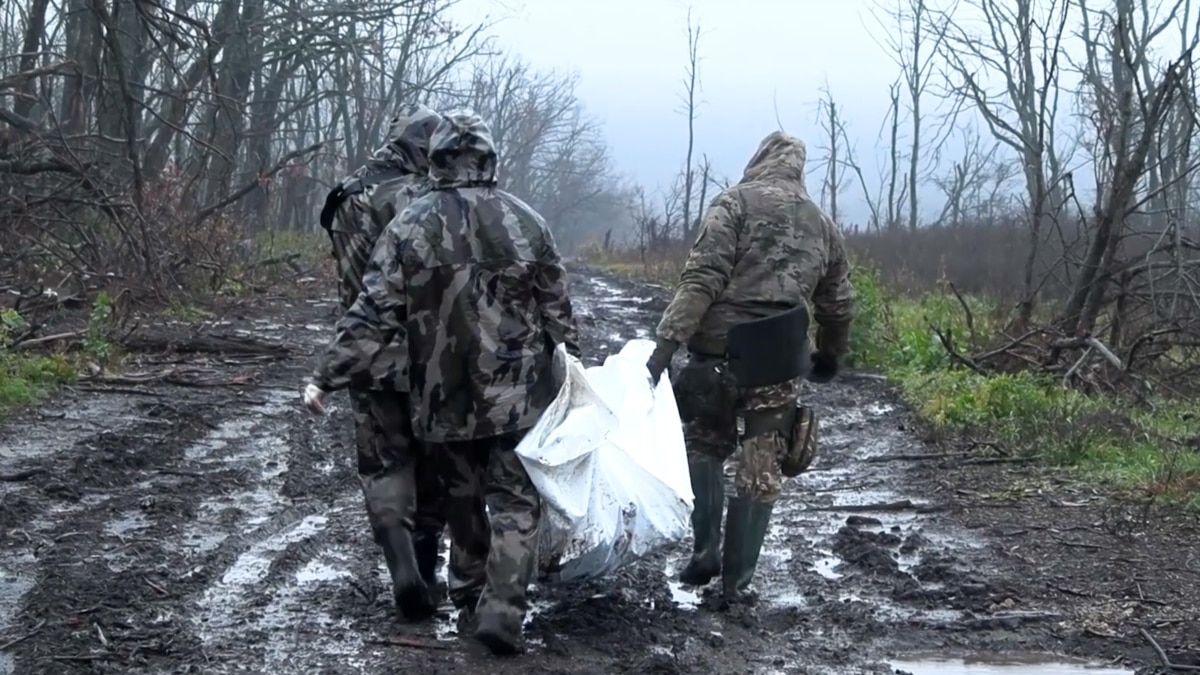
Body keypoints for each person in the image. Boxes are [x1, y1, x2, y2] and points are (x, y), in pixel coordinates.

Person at [306, 109, 580, 655]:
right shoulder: (527, 221)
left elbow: (373, 310)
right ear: (489, 157)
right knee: (515, 501)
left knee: (461, 502)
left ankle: (471, 598)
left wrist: (326, 375)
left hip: (440, 397)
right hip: (517, 395)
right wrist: (571, 374)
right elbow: (560, 317)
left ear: (437, 161)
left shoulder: (409, 226)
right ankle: (503, 607)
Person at [644, 130, 855, 603]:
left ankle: (704, 549)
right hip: (776, 359)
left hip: (716, 354)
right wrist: (829, 354)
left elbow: (702, 279)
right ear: (799, 169)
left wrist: (664, 349)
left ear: (758, 159)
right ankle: (737, 583)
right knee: (761, 466)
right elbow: (838, 302)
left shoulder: (732, 205)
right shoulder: (822, 224)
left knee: (704, 444)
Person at [308, 102, 448, 621]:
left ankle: (401, 569)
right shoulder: (426, 197)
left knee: (383, 466)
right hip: (431, 354)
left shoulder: (345, 194)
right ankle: (429, 575)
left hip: (367, 349)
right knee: (433, 462)